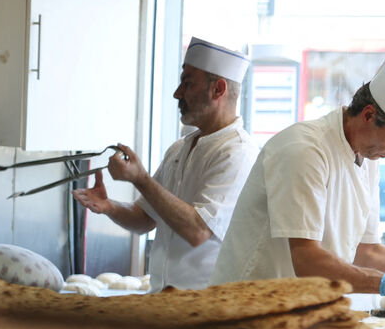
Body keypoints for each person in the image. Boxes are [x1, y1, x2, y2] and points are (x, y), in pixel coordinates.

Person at [210, 57, 385, 308]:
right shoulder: (304, 150)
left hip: (298, 312)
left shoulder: (368, 159)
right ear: (368, 115)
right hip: (247, 311)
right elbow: (307, 259)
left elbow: (367, 251)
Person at [72, 37, 258, 291]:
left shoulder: (238, 153)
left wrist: (141, 179)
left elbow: (198, 231)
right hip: (163, 298)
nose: (177, 93)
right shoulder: (179, 148)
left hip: (205, 305)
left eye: (188, 83)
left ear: (218, 89)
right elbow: (145, 219)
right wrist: (109, 206)